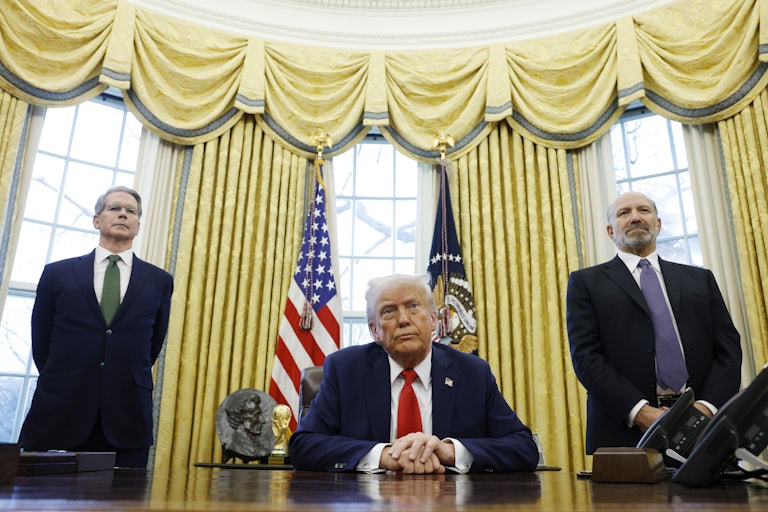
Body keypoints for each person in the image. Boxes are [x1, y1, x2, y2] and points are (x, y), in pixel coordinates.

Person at [289, 273, 538, 474]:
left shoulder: (472, 372)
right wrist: (384, 456)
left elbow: (523, 448)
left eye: (413, 306)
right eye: (389, 311)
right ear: (375, 330)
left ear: (432, 319)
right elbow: (304, 446)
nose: (404, 320)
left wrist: (450, 451)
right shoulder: (345, 369)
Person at [566, 191, 741, 454]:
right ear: (610, 230)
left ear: (657, 224)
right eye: (624, 213)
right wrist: (640, 412)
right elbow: (586, 356)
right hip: (625, 433)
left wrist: (705, 408)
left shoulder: (700, 279)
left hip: (704, 429)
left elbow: (728, 350)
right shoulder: (585, 283)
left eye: (644, 210)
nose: (635, 217)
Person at [19, 186, 174, 468]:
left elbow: (153, 344)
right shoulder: (57, 274)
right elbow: (41, 341)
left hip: (126, 418)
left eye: (132, 211)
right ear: (96, 220)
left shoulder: (159, 281)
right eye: (115, 208)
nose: (124, 214)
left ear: (138, 225)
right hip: (59, 410)